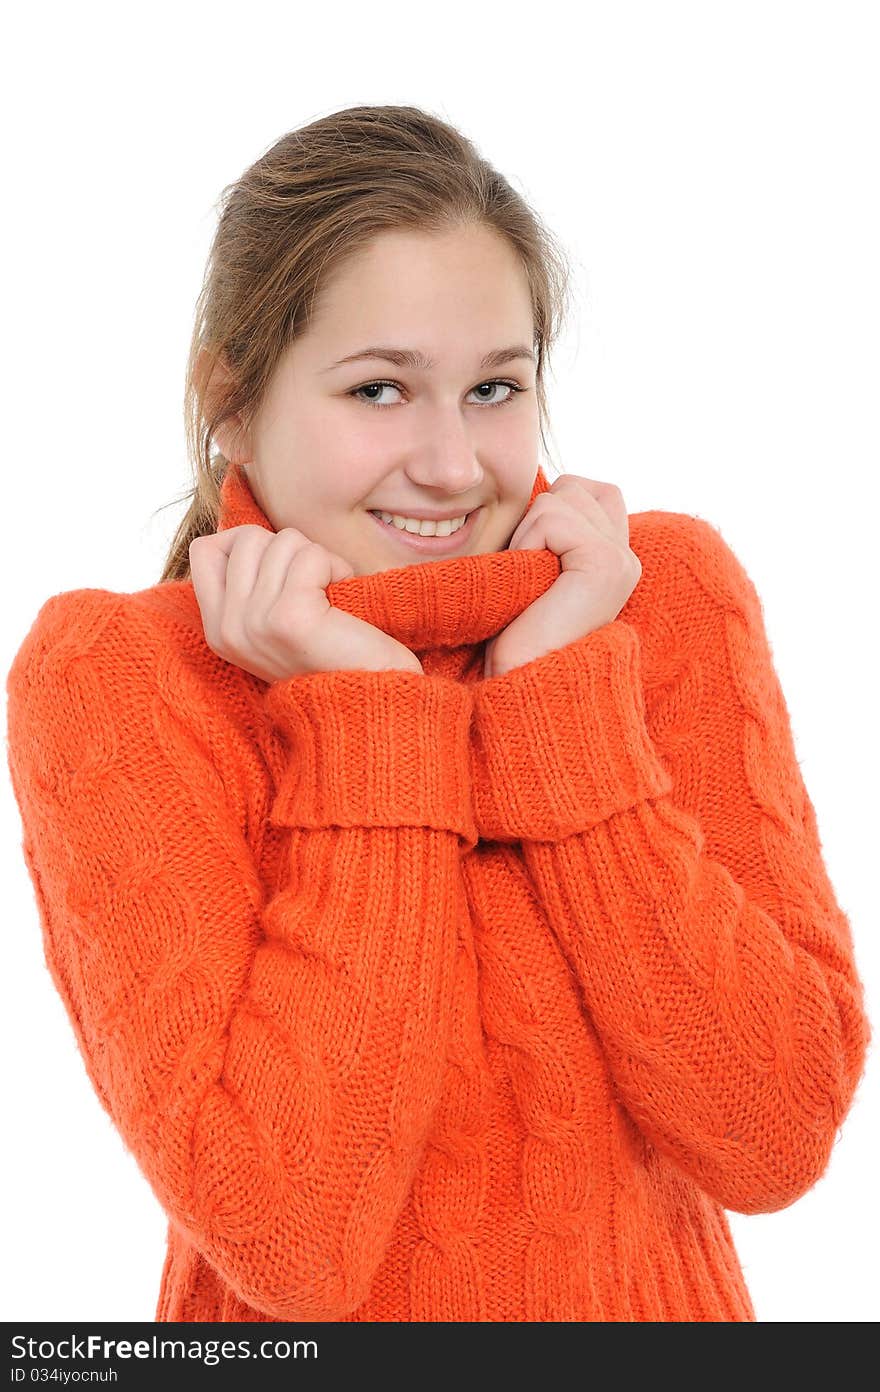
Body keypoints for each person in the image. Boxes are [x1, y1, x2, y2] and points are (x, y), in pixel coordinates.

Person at [5, 104, 870, 1324]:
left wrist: (558, 700)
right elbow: (290, 1238)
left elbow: (772, 1136)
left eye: (494, 388)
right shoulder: (120, 678)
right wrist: (368, 716)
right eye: (378, 389)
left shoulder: (650, 598)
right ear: (232, 401)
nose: (453, 464)